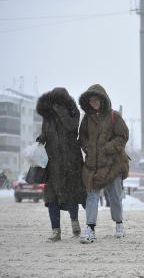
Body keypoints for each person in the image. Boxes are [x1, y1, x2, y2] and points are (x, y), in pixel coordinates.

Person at [78, 84, 129, 243]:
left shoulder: (114, 116)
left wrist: (108, 147)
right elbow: (82, 137)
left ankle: (119, 223)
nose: (93, 102)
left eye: (96, 99)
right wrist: (87, 146)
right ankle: (90, 228)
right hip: (93, 166)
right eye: (91, 100)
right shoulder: (87, 118)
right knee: (91, 196)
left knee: (115, 197)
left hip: (113, 165)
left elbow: (123, 136)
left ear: (102, 100)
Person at [35, 87, 87, 242]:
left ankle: (74, 221)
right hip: (52, 163)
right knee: (51, 198)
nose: (56, 104)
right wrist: (40, 139)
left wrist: (60, 111)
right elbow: (44, 132)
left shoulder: (72, 112)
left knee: (72, 195)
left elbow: (72, 127)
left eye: (59, 101)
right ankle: (55, 231)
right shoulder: (48, 117)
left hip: (71, 162)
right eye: (54, 101)